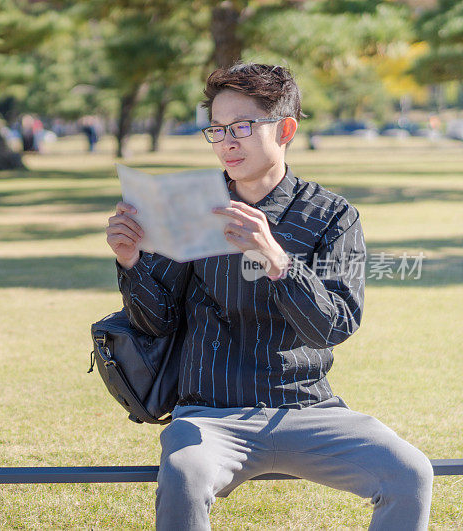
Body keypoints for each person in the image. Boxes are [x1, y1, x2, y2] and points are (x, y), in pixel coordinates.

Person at [105, 63, 433, 530]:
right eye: (217, 130)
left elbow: (335, 325)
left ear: (285, 129)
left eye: (241, 127)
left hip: (309, 410)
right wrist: (131, 262)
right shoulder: (191, 208)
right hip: (210, 415)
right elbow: (155, 324)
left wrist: (278, 261)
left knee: (410, 474)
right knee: (183, 473)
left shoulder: (332, 216)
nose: (227, 142)